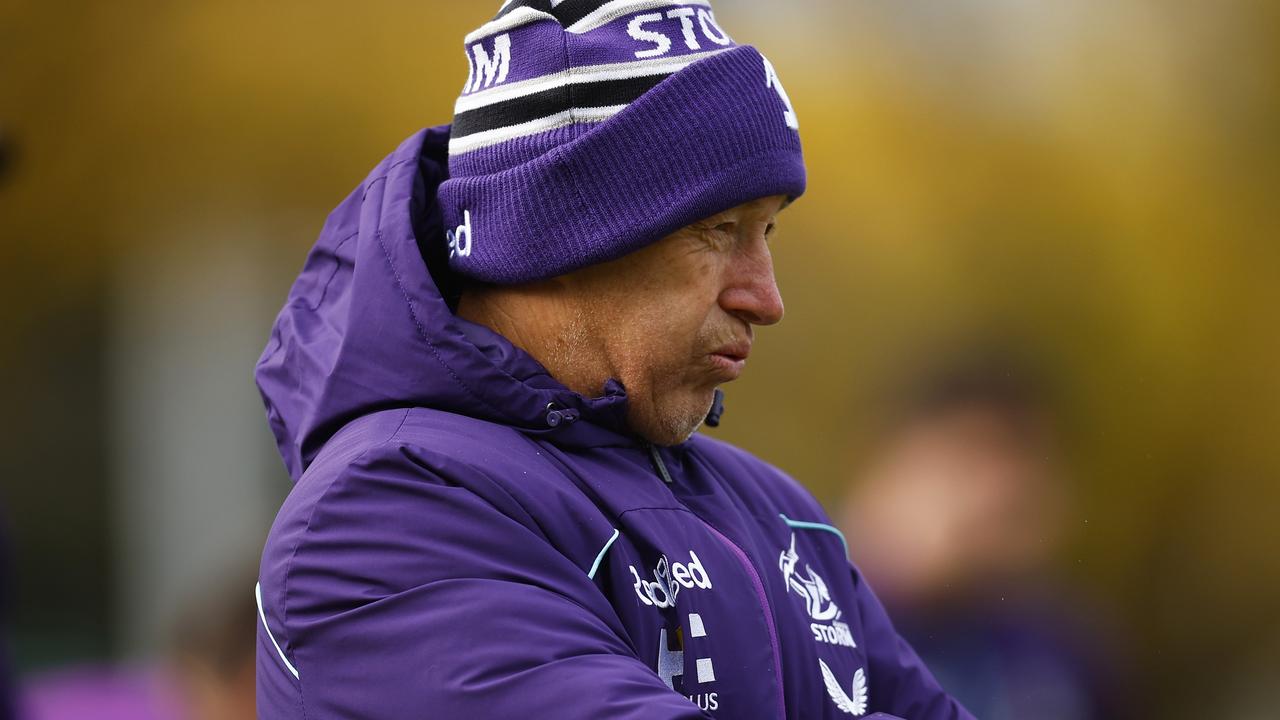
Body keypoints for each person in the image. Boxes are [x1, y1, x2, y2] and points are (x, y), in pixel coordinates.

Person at [254, 2, 973, 718]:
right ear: (553, 240)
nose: (767, 298)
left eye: (769, 231)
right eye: (717, 230)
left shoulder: (784, 518)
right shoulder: (385, 513)